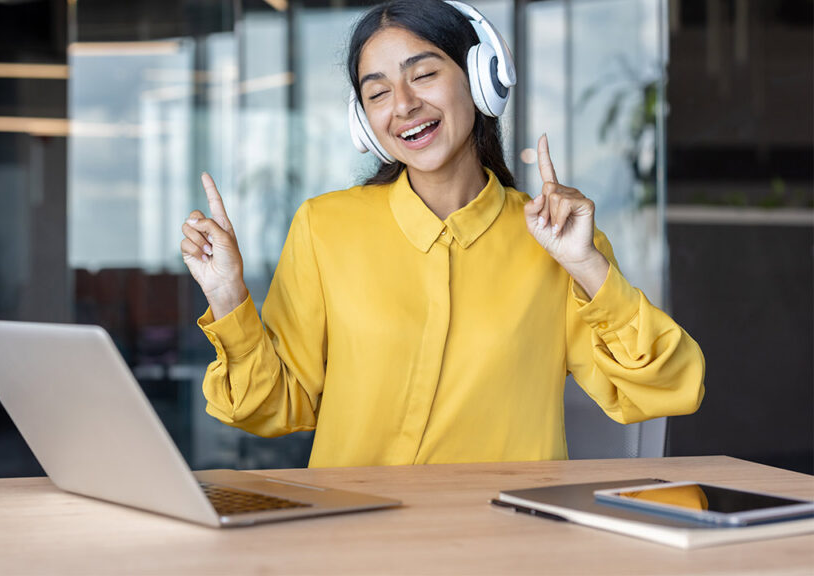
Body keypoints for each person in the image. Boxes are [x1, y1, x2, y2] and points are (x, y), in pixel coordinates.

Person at [180, 0, 704, 468]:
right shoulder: (325, 228)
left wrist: (587, 265)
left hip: (503, 541)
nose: (403, 104)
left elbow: (666, 389)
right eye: (378, 92)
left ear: (481, 79)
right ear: (365, 121)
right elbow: (271, 407)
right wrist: (228, 297)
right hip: (355, 541)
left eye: (423, 74)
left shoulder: (556, 241)